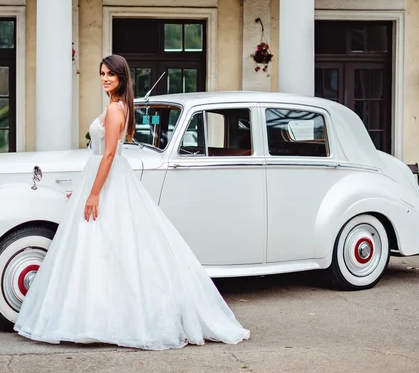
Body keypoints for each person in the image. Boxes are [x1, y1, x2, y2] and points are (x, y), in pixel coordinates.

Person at [13, 54, 250, 350]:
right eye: (101, 73)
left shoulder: (116, 108)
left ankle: (109, 319)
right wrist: (86, 188)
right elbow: (100, 154)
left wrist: (95, 193)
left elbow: (109, 154)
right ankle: (96, 316)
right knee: (100, 249)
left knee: (110, 247)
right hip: (100, 176)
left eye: (110, 74)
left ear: (122, 78)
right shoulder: (114, 105)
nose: (104, 79)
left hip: (109, 179)